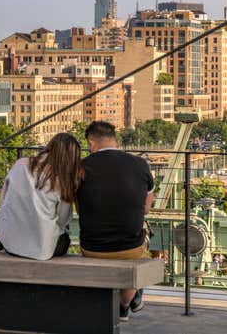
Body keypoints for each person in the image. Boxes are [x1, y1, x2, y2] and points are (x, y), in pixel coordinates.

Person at [76, 121, 154, 323]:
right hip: (129, 248)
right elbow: (146, 208)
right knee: (140, 249)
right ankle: (125, 304)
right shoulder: (140, 164)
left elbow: (78, 207)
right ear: (115, 140)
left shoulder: (80, 168)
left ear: (92, 142)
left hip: (92, 247)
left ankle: (129, 301)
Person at [0, 133, 84, 260]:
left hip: (9, 243)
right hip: (41, 250)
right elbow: (63, 220)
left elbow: (3, 200)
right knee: (64, 238)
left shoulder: (20, 164)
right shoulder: (62, 181)